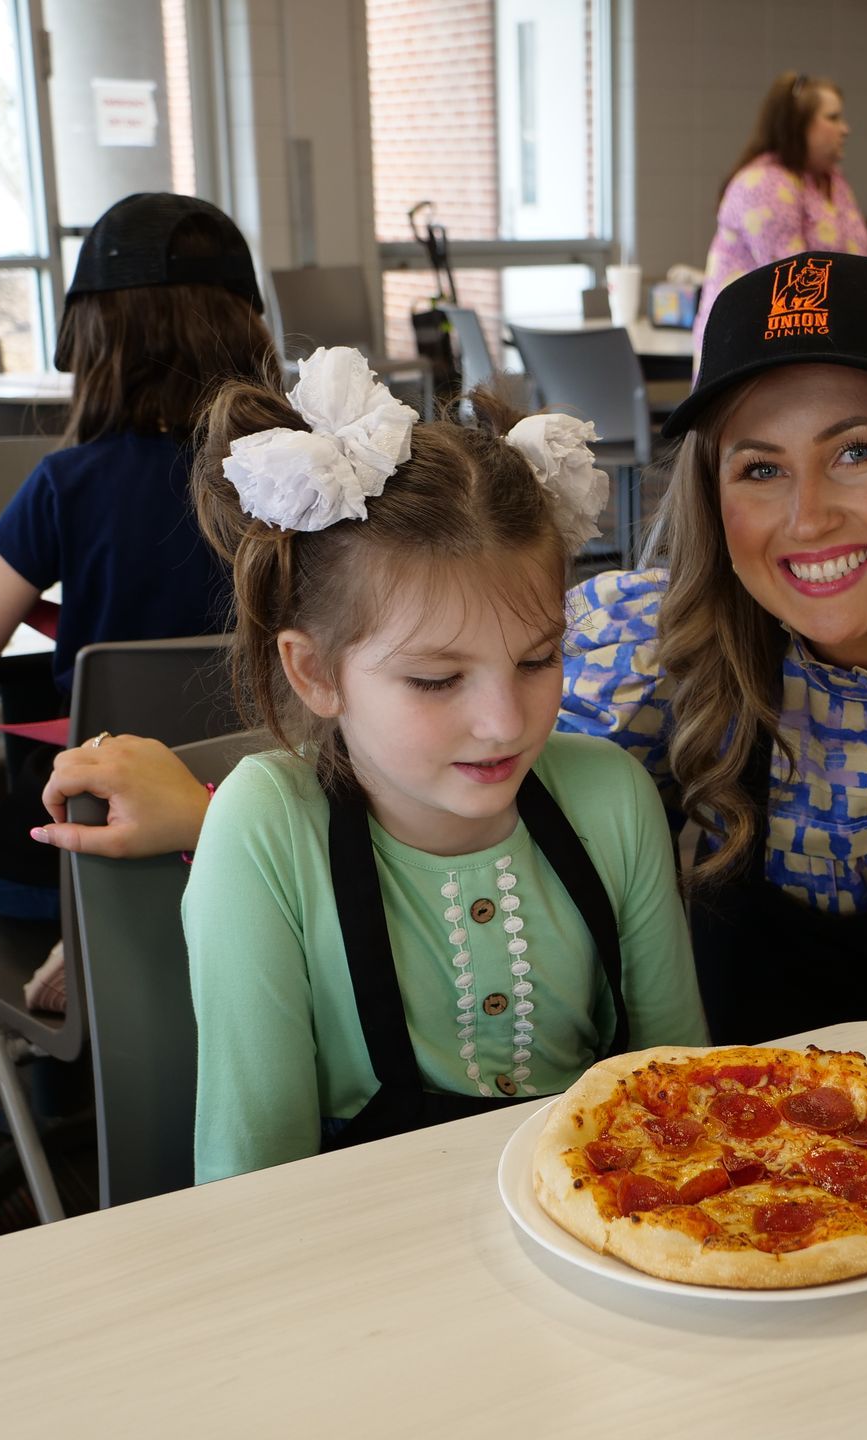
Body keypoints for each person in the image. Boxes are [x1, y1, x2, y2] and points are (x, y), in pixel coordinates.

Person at [37, 256, 867, 1148]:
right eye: (760, 467)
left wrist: (863, 1132)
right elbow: (449, 764)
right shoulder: (666, 652)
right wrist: (216, 811)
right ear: (711, 492)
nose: (805, 516)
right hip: (735, 1163)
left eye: (856, 448)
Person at [175, 348, 706, 1182]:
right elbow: (252, 1180)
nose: (503, 723)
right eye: (436, 679)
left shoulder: (611, 798)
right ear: (316, 673)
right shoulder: (268, 828)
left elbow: (685, 1099)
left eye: (537, 661)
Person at [0, 191, 277, 1009]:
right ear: (251, 325)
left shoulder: (67, 486)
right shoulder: (296, 481)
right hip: (263, 831)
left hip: (93, 838)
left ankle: (106, 940)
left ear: (93, 341)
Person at [689, 71, 867, 368]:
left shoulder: (831, 181)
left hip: (813, 347)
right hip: (747, 353)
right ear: (798, 125)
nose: (845, 129)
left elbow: (860, 267)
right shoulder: (764, 184)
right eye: (833, 117)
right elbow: (796, 284)